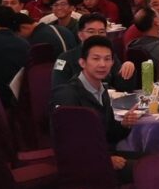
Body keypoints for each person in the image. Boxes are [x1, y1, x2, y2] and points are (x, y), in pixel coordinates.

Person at [50, 36, 145, 169]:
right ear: (82, 63)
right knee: (149, 170)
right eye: (96, 59)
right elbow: (69, 143)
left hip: (105, 155)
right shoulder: (67, 95)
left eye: (107, 59)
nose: (102, 64)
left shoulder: (102, 91)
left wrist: (124, 124)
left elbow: (109, 134)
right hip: (85, 166)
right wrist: (106, 159)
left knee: (158, 159)